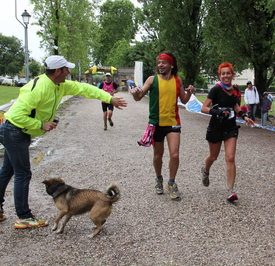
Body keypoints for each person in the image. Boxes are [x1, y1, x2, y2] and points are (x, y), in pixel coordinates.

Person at [0, 55, 127, 228]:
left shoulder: (59, 85)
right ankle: (23, 217)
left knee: (7, 171)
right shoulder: (39, 88)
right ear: (59, 71)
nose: (69, 72)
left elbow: (84, 88)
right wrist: (40, 124)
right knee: (23, 173)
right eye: (67, 69)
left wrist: (109, 98)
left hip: (17, 131)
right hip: (14, 130)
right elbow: (15, 116)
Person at [130, 51, 195, 201]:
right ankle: (158, 179)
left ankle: (171, 183)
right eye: (159, 62)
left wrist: (190, 92)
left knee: (175, 155)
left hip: (173, 122)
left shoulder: (177, 80)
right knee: (158, 155)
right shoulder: (152, 80)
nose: (160, 65)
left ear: (171, 65)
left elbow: (184, 100)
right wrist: (135, 93)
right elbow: (139, 97)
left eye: (163, 62)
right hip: (156, 123)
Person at [200, 62, 255, 201]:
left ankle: (231, 190)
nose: (226, 75)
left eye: (228, 73)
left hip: (230, 127)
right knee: (213, 157)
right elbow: (203, 108)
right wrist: (216, 111)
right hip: (216, 127)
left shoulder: (234, 90)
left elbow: (236, 106)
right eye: (223, 73)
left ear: (232, 75)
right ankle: (206, 171)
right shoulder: (216, 90)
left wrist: (245, 117)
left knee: (230, 158)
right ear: (220, 75)